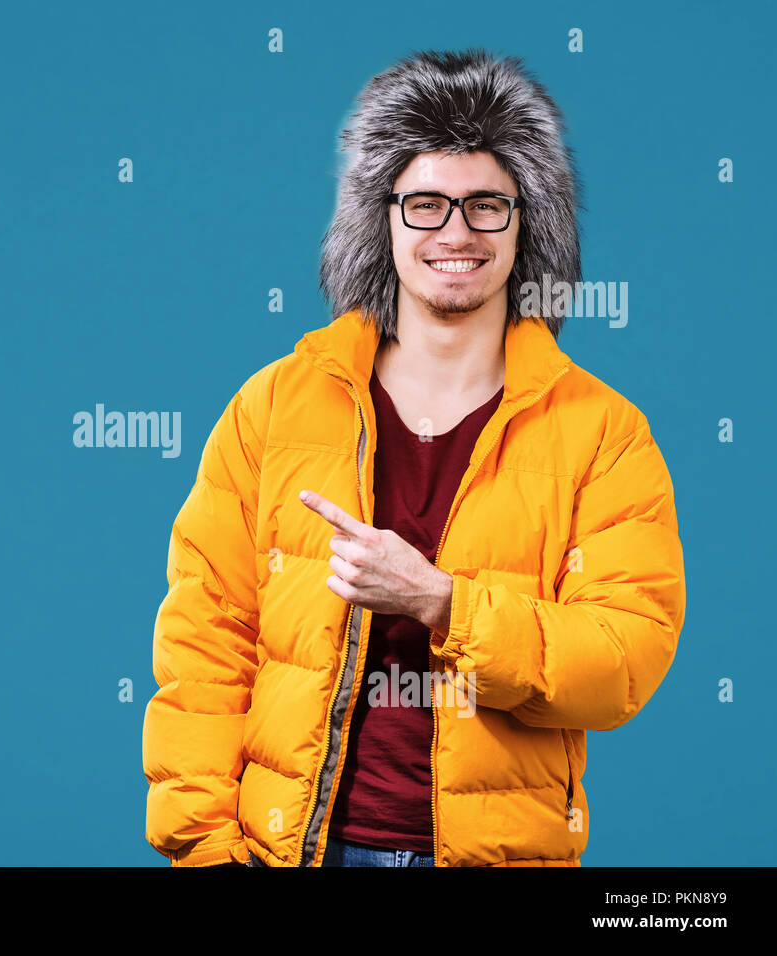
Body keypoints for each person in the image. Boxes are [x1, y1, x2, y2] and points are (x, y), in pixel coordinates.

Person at [141, 48, 686, 867]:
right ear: (383, 218)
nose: (455, 233)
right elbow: (204, 645)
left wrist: (443, 603)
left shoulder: (603, 432)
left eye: (486, 206)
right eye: (425, 204)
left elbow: (620, 664)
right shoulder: (276, 406)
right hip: (291, 853)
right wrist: (205, 850)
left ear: (526, 220)